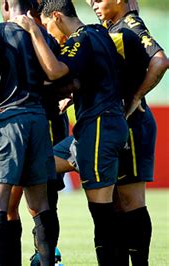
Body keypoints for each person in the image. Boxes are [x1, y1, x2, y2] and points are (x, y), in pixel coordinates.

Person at [14, 0, 129, 264]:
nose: (49, 33)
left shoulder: (82, 37)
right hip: (88, 130)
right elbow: (91, 77)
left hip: (100, 128)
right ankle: (46, 251)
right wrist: (74, 95)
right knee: (36, 167)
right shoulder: (100, 33)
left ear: (56, 16)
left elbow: (56, 70)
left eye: (47, 26)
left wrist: (32, 30)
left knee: (102, 214)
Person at [0, 0, 60, 264]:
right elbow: (59, 76)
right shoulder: (44, 34)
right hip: (38, 120)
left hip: (8, 120)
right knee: (40, 204)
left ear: (5, 4)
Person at [88, 0, 168, 264]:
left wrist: (136, 97)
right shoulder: (108, 28)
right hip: (115, 125)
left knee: (131, 201)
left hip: (133, 125)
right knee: (116, 203)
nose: (92, 3)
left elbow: (160, 61)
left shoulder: (131, 25)